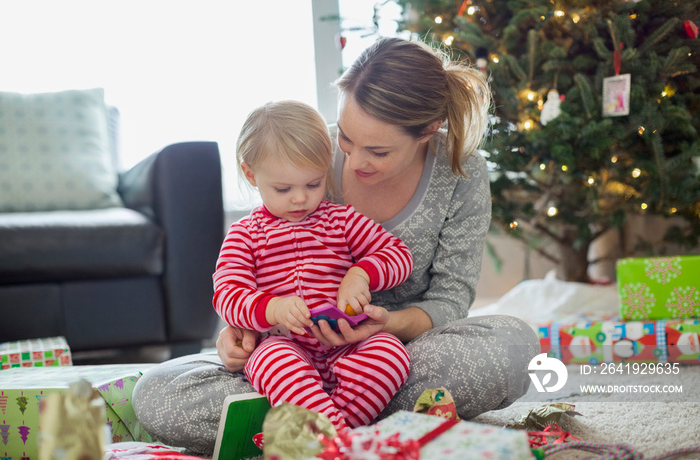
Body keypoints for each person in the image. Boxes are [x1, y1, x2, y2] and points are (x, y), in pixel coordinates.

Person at [132, 37, 540, 456]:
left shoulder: (462, 173)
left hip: (392, 351)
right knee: (156, 393)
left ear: (427, 131)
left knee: (514, 346)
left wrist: (386, 321)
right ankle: (365, 429)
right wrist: (240, 334)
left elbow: (449, 299)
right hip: (287, 352)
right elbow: (240, 279)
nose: (352, 160)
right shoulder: (308, 153)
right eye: (346, 138)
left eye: (378, 151)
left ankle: (306, 428)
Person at [214, 100, 413, 433]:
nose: (300, 199)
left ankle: (329, 439)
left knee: (391, 351)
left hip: (348, 344)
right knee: (271, 362)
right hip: (284, 347)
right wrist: (273, 308)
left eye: (313, 184)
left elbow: (397, 254)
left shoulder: (341, 220)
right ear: (251, 174)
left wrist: (360, 274)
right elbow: (227, 293)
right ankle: (339, 441)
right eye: (283, 188)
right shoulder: (245, 233)